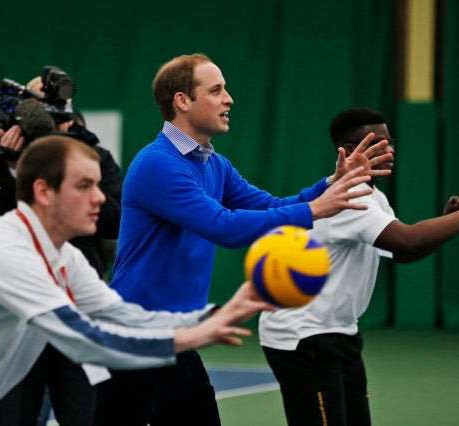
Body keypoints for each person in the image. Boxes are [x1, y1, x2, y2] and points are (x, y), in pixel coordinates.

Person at [92, 54, 392, 425]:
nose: (228, 99)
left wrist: (333, 183)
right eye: (216, 90)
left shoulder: (215, 164)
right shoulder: (158, 163)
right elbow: (225, 227)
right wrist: (316, 210)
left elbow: (273, 206)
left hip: (182, 342)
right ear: (182, 101)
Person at [0, 135, 273, 426]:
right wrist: (193, 335)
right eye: (84, 186)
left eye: (98, 185)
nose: (100, 198)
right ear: (43, 191)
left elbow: (124, 315)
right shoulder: (7, 254)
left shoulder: (65, 257)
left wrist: (211, 316)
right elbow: (86, 340)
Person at [258, 106, 459, 426]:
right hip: (303, 336)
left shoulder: (373, 195)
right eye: (377, 143)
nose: (389, 150)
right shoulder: (349, 195)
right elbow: (407, 241)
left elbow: (402, 253)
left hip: (337, 332)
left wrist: (448, 221)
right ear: (348, 151)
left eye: (389, 141)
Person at [0, 75, 124, 426]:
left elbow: (115, 220)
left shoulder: (95, 158)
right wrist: (16, 171)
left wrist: (71, 179)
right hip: (18, 320)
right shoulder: (4, 161)